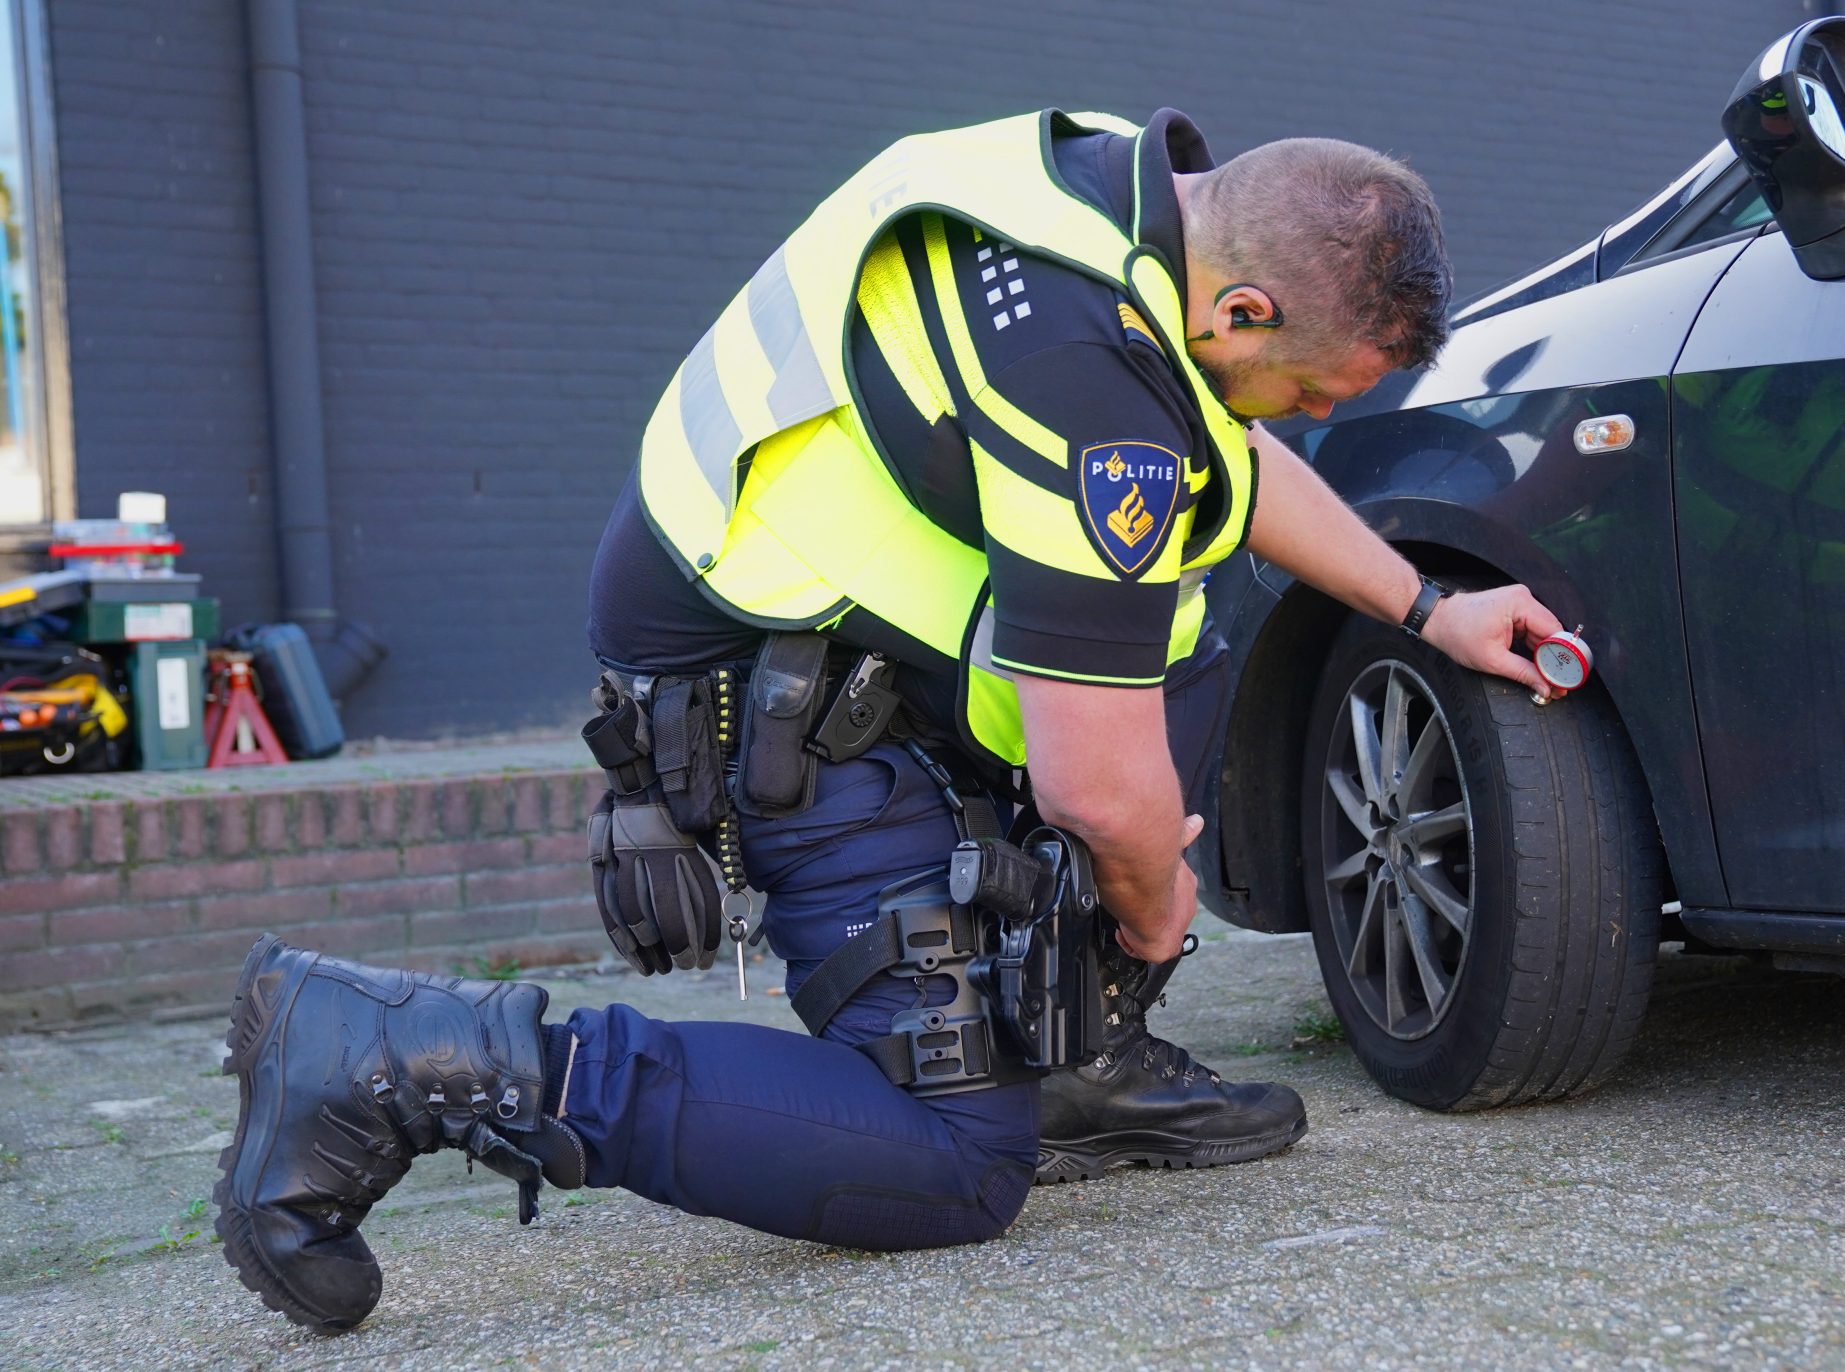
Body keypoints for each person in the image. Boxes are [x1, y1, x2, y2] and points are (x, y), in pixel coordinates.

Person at [214, 108, 1565, 1333]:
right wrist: (1158, 905)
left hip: (835, 645)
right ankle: (404, 1060)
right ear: (1246, 310)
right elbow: (1100, 793)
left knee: (1178, 627)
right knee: (958, 1167)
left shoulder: (1110, 204)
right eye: (1318, 390)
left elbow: (1237, 458)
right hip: (785, 708)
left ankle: (1069, 1059)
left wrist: (1426, 607)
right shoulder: (1089, 377)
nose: (1314, 420)